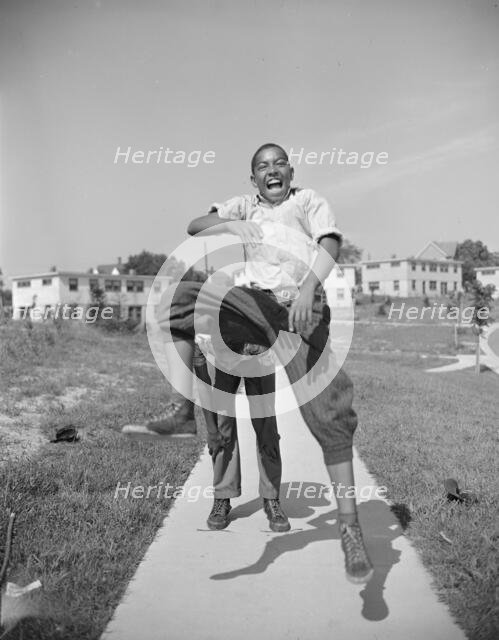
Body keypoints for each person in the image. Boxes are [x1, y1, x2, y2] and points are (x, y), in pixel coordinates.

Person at [124, 143, 373, 583]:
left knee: (329, 413)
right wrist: (236, 224)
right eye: (262, 166)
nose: (272, 170)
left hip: (298, 307)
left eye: (279, 164)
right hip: (249, 306)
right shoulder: (244, 206)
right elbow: (196, 225)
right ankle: (184, 413)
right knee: (178, 301)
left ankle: (350, 530)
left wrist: (311, 286)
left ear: (291, 171)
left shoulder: (307, 200)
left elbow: (330, 240)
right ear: (253, 179)